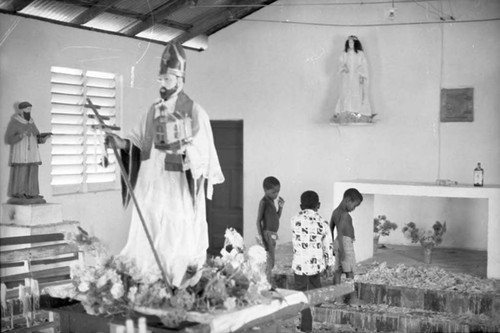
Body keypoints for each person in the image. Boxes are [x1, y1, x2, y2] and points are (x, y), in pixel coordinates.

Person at [107, 42, 224, 288]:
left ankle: (173, 281)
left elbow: (203, 155)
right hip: (150, 185)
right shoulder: (152, 110)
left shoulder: (194, 111)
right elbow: (138, 143)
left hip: (176, 185)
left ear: (180, 79)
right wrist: (121, 143)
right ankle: (147, 279)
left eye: (168, 77)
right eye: (161, 77)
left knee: (173, 232)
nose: (162, 82)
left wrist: (184, 149)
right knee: (148, 227)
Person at [291, 190, 334, 333]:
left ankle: (305, 320)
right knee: (316, 288)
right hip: (316, 265)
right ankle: (314, 310)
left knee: (301, 294)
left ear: (301, 206)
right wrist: (330, 265)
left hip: (299, 265)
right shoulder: (323, 223)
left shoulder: (294, 220)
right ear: (318, 205)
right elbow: (328, 246)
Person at [5, 101, 50, 204]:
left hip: (33, 152)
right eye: (27, 109)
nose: (29, 111)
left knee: (33, 170)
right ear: (21, 110)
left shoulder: (31, 122)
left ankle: (32, 193)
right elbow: (9, 139)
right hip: (21, 151)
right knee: (22, 170)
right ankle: (19, 193)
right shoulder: (15, 122)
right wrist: (21, 135)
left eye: (30, 109)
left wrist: (43, 138)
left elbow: (36, 136)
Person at [329, 188, 363, 304]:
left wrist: (332, 245)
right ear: (348, 200)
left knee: (338, 271)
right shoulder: (345, 215)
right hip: (345, 245)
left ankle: (338, 299)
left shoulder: (335, 212)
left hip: (337, 243)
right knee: (350, 272)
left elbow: (331, 228)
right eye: (354, 205)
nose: (354, 208)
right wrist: (343, 251)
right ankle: (353, 299)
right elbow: (341, 232)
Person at [332, 35, 374, 123]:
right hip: (347, 78)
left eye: (352, 42)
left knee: (357, 93)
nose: (351, 44)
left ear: (355, 43)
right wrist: (343, 67)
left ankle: (357, 114)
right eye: (349, 42)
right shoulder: (344, 53)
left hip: (356, 77)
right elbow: (340, 63)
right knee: (346, 93)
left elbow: (364, 66)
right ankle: (346, 112)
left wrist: (362, 75)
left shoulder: (360, 54)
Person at [256, 176, 284, 287]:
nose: (276, 195)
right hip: (266, 234)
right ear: (265, 190)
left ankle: (267, 283)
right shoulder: (263, 202)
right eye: (273, 192)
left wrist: (280, 207)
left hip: (273, 235)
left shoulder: (272, 201)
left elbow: (276, 217)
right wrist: (261, 238)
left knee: (271, 261)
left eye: (278, 192)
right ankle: (266, 284)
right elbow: (258, 221)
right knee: (268, 262)